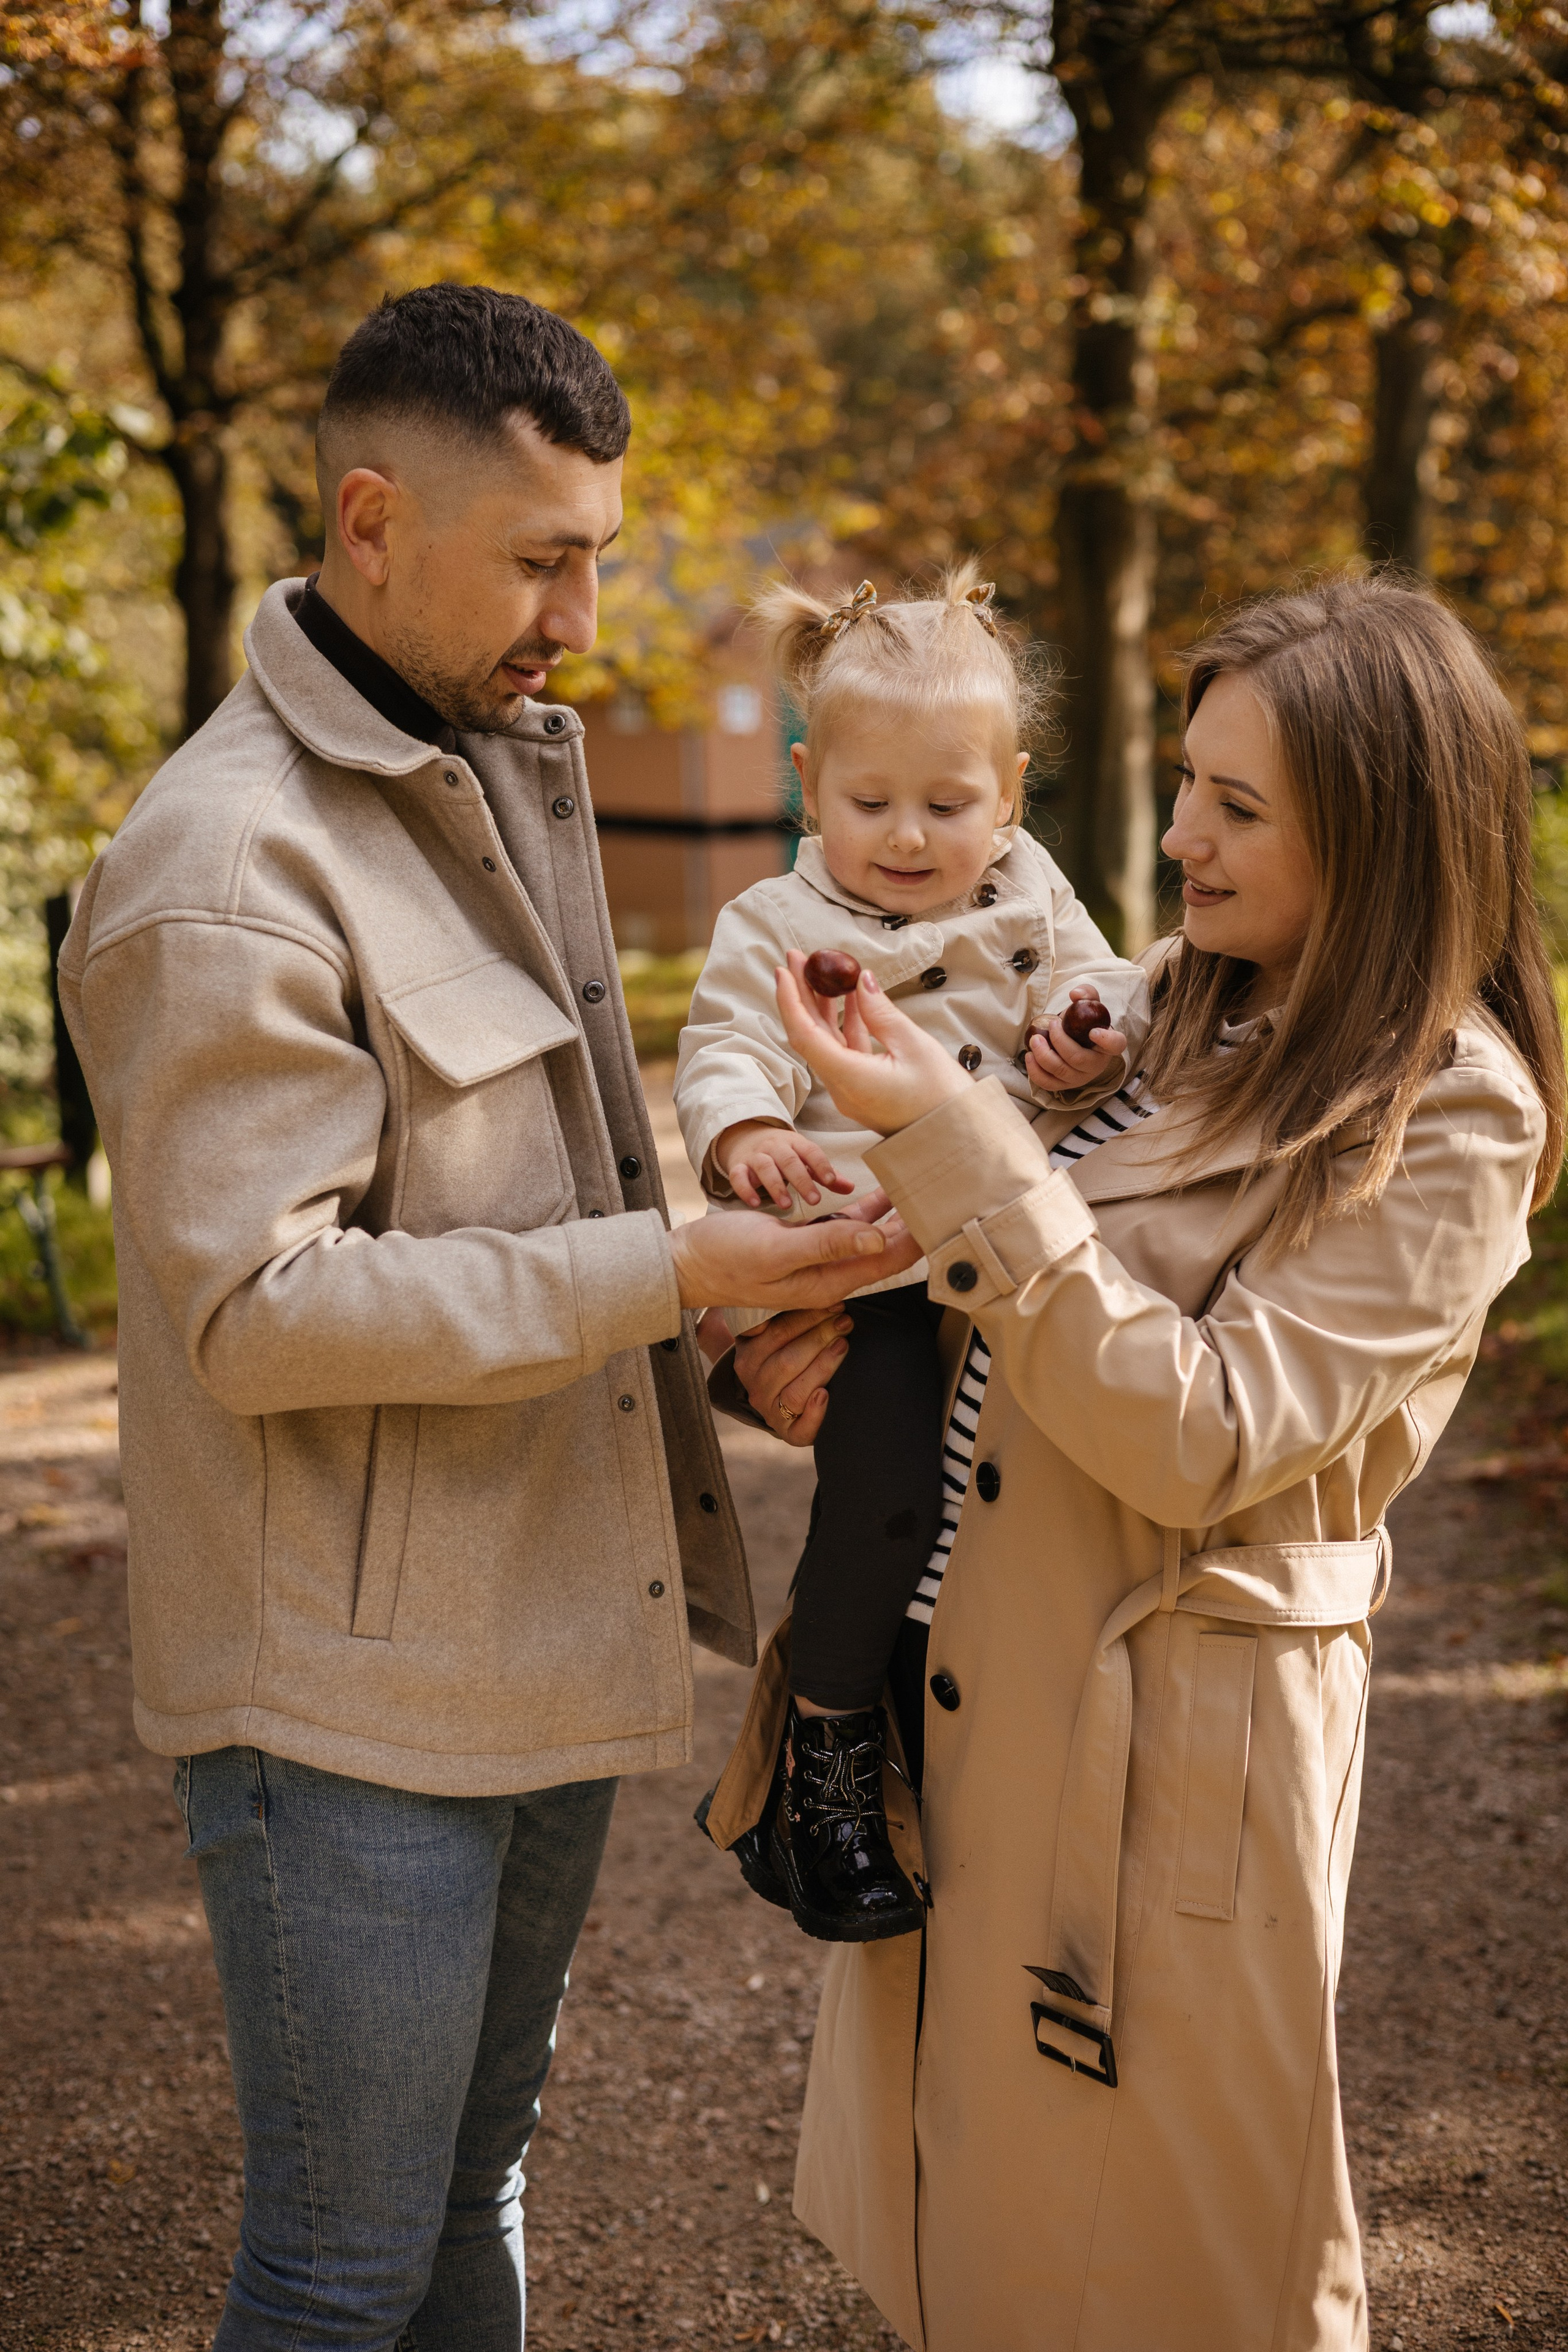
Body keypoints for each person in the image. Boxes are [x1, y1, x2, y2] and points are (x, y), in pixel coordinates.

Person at [57, 282, 918, 2351]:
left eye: (598, 555)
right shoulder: (223, 866)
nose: (586, 613)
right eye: (546, 558)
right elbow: (261, 1312)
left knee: (472, 2198)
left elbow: (536, 1193)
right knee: (343, 2264)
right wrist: (680, 1272)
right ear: (373, 521)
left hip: (529, 1631)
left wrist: (721, 1278)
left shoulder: (486, 766)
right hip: (346, 1714)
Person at [701, 574, 1565, 2350]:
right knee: (991, 2254)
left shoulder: (1456, 1106)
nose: (1175, 836)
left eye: (1237, 810)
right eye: (1187, 784)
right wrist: (770, 1342)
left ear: (1383, 837)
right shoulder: (1176, 996)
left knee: (1168, 2266)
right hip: (983, 1688)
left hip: (1163, 1747)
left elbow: (1205, 1432)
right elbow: (974, 1282)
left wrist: (952, 1141)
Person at [677, 568, 1146, 1942]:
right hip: (875, 1271)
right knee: (884, 1499)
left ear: (1005, 795)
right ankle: (820, 1756)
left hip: (1020, 1261)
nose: (904, 836)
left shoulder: (1034, 893)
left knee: (996, 1528)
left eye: (946, 806)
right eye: (869, 802)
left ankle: (955, 1770)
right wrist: (749, 1129)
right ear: (808, 785)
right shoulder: (775, 924)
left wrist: (1091, 1025)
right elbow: (721, 1044)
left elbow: (1112, 981)